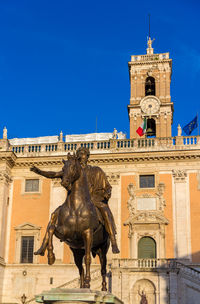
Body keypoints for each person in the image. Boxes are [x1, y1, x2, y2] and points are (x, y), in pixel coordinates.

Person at [31, 147, 119, 257]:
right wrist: (39, 171)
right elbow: (54, 174)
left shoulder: (96, 170)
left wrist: (107, 193)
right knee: (55, 214)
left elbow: (108, 186)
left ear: (87, 156)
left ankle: (113, 240)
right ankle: (44, 245)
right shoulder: (72, 170)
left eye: (83, 154)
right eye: (79, 154)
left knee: (105, 210)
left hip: (94, 199)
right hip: (77, 201)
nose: (81, 156)